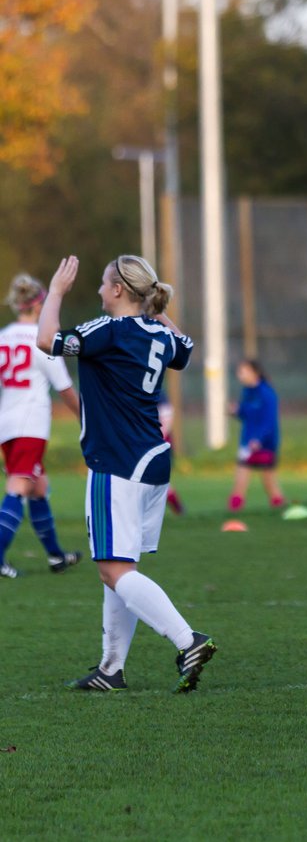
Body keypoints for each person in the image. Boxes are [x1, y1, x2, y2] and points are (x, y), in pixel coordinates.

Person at [36, 255, 216, 693]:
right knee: (121, 566)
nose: (98, 290)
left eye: (103, 283)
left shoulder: (107, 330)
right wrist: (155, 305)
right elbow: (186, 351)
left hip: (116, 461)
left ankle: (187, 640)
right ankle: (111, 669)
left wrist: (56, 291)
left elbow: (47, 341)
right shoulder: (158, 332)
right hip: (154, 459)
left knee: (112, 570)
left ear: (118, 290)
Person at [0, 273, 82, 578]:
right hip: (29, 425)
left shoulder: (3, 337)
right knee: (20, 486)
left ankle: (56, 557)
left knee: (38, 488)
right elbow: (67, 391)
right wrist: (88, 420)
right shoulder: (42, 340)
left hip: (7, 424)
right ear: (39, 304)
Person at [228, 359, 284, 512]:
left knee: (269, 483)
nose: (240, 375)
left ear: (255, 373)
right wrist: (237, 411)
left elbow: (269, 421)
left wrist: (258, 439)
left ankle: (279, 509)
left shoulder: (267, 393)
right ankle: (233, 513)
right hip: (247, 443)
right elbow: (248, 415)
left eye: (243, 371)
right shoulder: (247, 392)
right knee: (240, 481)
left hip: (265, 444)